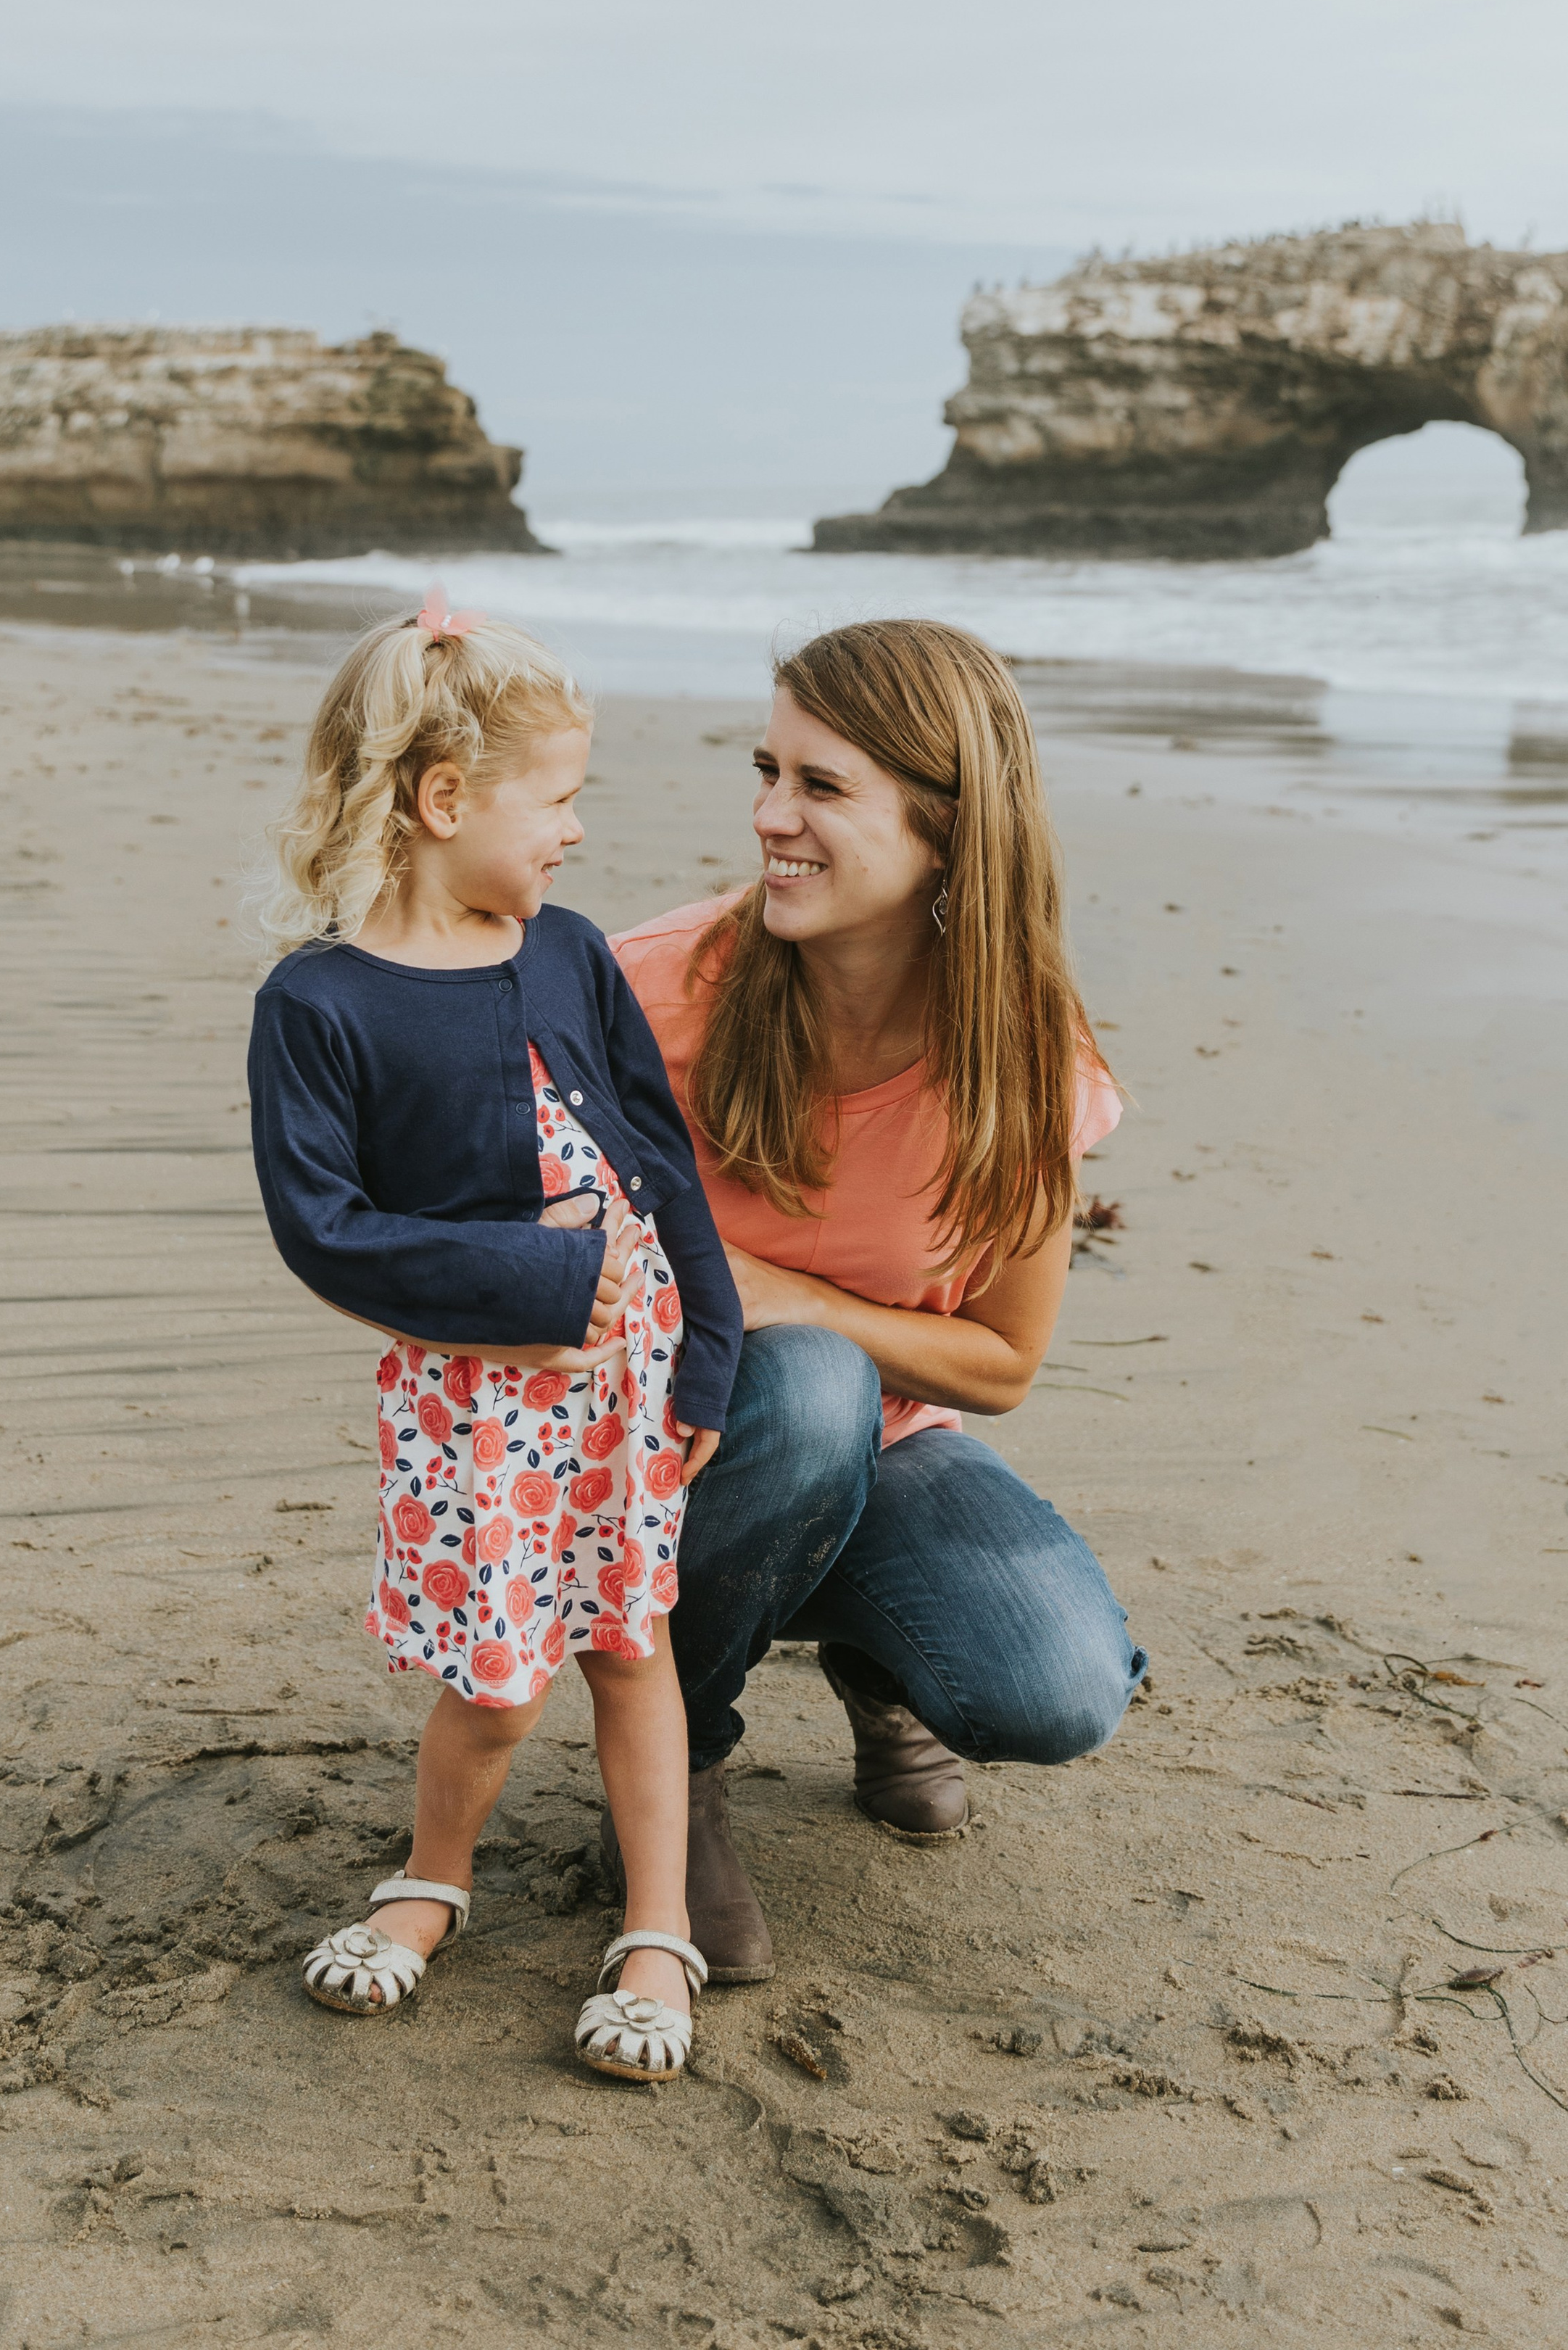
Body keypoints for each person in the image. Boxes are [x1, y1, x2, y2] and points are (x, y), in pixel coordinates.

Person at [246, 592, 741, 2080]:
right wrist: (530, 1287)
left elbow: (660, 1162)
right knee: (498, 1679)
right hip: (476, 1405)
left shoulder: (569, 952)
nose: (576, 830)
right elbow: (323, 1227)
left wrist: (709, 1347)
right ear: (444, 799)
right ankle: (432, 1880)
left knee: (633, 1649)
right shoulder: (319, 1002)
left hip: (629, 1385)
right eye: (558, 797)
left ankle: (657, 1927)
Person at [610, 617, 1146, 1981]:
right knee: (804, 1389)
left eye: (821, 786)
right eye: (766, 772)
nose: (768, 817)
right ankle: (679, 1762)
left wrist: (792, 1294)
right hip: (657, 1457)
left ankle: (877, 1662)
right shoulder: (648, 996)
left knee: (1058, 1689)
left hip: (890, 1446)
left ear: (946, 827)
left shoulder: (1023, 1054)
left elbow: (1003, 1362)